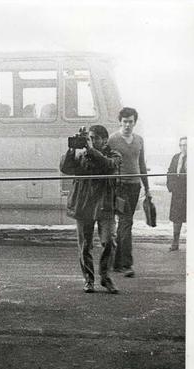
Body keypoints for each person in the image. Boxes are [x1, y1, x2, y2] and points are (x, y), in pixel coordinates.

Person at [60, 125, 122, 294]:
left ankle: (105, 277)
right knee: (85, 245)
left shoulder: (114, 155)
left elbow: (108, 165)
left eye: (95, 138)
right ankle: (88, 279)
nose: (91, 141)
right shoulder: (82, 156)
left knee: (109, 241)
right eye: (90, 138)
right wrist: (72, 148)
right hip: (84, 204)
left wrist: (91, 149)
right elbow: (65, 168)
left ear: (104, 140)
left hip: (105, 204)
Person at [107, 107, 151, 278]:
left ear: (135, 122)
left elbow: (141, 165)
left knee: (125, 224)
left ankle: (117, 264)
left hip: (135, 187)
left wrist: (147, 188)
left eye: (130, 121)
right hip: (120, 186)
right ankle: (126, 264)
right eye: (124, 121)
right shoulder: (113, 139)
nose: (127, 125)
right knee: (126, 223)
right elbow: (107, 164)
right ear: (120, 122)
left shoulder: (139, 140)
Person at [167, 136, 187, 250]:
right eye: (182, 145)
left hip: (189, 192)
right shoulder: (176, 157)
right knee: (176, 219)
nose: (184, 147)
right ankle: (175, 243)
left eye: (186, 145)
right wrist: (171, 186)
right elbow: (170, 172)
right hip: (178, 192)